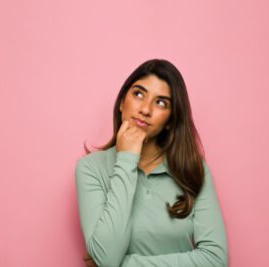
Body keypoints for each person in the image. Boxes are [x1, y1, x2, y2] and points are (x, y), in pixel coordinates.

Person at [75, 59, 228, 267]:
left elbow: (215, 260)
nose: (145, 109)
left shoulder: (193, 170)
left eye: (161, 102)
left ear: (170, 121)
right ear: (121, 102)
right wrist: (126, 160)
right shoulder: (91, 169)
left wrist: (124, 265)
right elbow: (107, 257)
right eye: (138, 94)